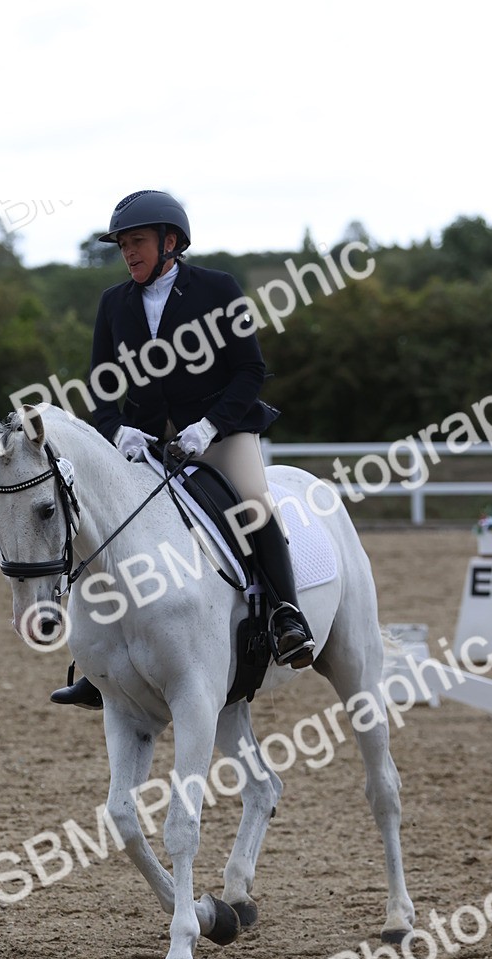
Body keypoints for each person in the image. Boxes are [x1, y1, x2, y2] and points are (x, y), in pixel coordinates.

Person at [51, 190, 314, 709]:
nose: (128, 253)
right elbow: (102, 386)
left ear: (171, 242)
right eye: (123, 245)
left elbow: (250, 371)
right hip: (147, 441)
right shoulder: (114, 303)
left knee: (254, 504)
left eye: (138, 242)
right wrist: (116, 429)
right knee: (107, 531)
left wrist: (210, 426)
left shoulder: (217, 289)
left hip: (220, 432)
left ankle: (287, 615)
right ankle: (101, 663)